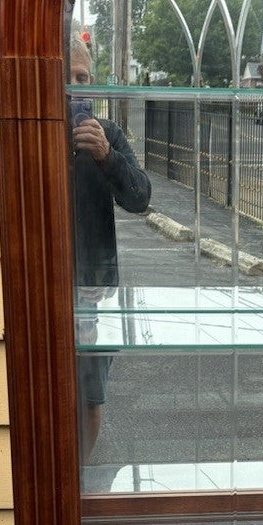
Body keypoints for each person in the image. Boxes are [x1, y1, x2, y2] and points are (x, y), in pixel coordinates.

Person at [68, 38, 151, 459]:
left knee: (90, 398)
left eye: (83, 79)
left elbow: (140, 198)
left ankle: (79, 481)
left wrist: (107, 156)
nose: (76, 88)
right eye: (67, 79)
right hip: (38, 290)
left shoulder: (107, 134)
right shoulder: (33, 132)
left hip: (91, 294)